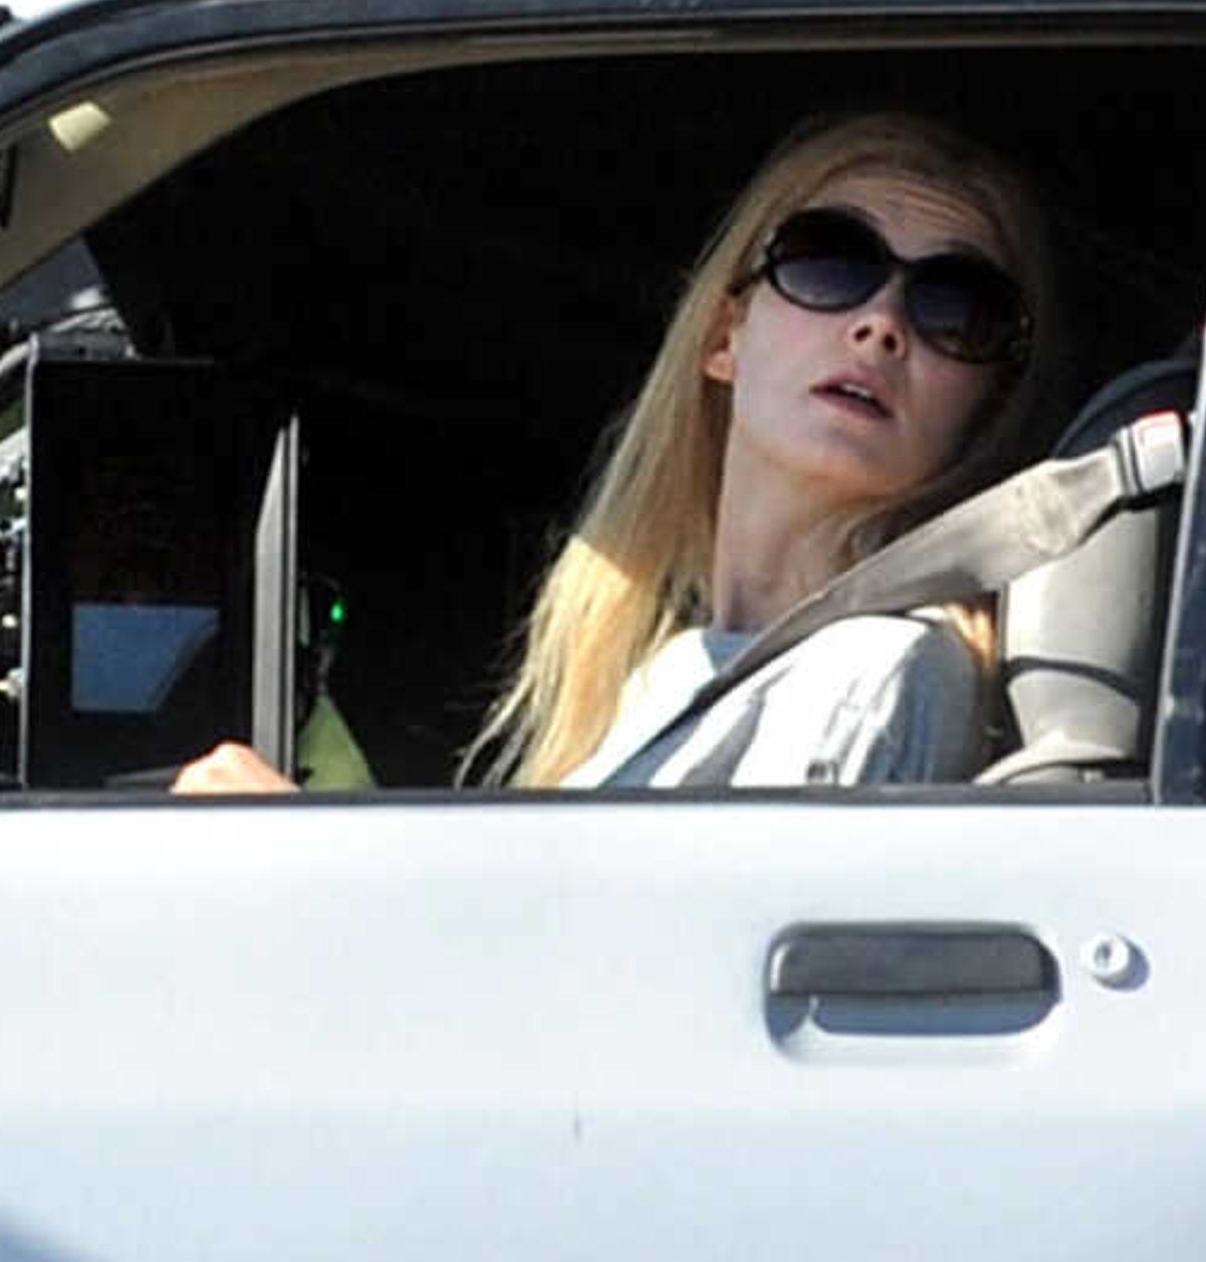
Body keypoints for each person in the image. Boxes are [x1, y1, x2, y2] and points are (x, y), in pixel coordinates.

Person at [173, 108, 1064, 794]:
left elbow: (675, 1014)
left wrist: (293, 868)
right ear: (724, 334)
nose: (881, 325)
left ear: (983, 414)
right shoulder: (673, 672)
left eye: (958, 309)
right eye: (829, 261)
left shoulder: (878, 668)